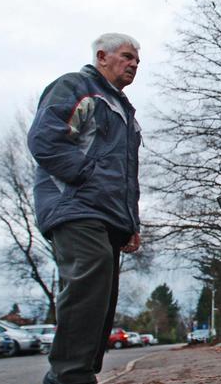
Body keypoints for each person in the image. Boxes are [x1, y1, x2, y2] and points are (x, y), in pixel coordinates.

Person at [28, 33, 143, 384]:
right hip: (75, 206)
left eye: (137, 61)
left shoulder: (124, 109)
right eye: (127, 57)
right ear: (102, 56)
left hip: (110, 216)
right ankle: (70, 375)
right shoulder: (76, 87)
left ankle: (76, 374)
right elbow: (45, 140)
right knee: (87, 284)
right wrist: (86, 176)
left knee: (102, 298)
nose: (134, 65)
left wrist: (131, 222)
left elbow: (127, 173)